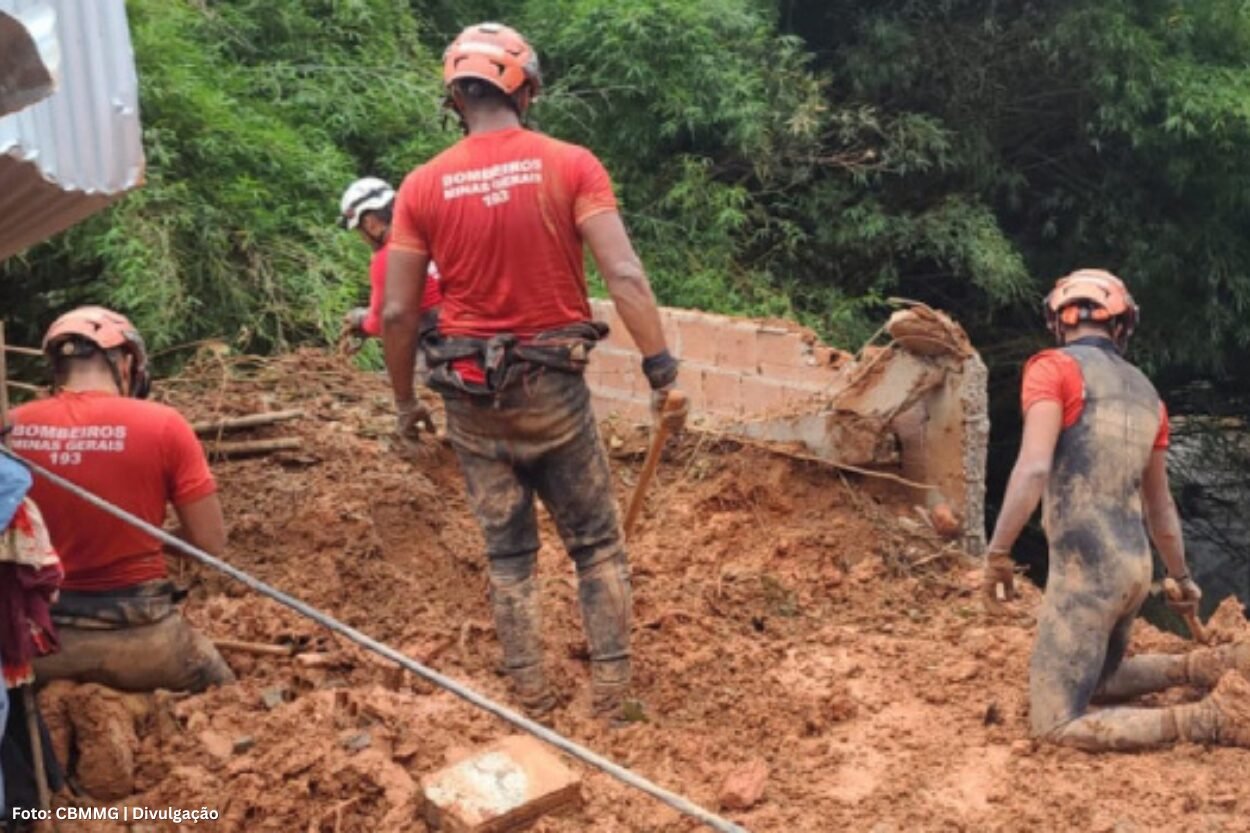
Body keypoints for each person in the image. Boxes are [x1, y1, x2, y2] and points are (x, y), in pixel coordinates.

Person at [382, 22, 681, 718]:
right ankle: (611, 694)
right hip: (553, 390)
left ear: (456, 98)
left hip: (471, 400)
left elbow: (398, 314)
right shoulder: (571, 164)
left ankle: (531, 693)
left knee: (509, 555)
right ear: (527, 89)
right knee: (597, 543)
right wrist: (660, 368)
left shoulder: (421, 187)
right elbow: (626, 274)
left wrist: (403, 403)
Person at [985, 269, 1250, 750]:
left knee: (1054, 722)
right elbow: (1160, 506)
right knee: (1099, 681)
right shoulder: (1149, 395)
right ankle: (1207, 667)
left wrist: (998, 551)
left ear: (1059, 322)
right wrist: (1183, 576)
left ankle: (1209, 720)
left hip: (1086, 569)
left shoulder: (1052, 368)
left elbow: (1033, 469)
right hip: (1132, 568)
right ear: (1122, 325)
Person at [8, 306, 234, 693]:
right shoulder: (163, 424)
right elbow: (211, 542)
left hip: (41, 643)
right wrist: (149, 536)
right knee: (225, 694)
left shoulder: (11, 427)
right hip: (145, 642)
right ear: (126, 362)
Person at [338, 176, 444, 347]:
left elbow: (382, 322)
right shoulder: (431, 233)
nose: (363, 239)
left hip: (439, 346)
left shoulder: (388, 257)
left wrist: (360, 320)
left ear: (371, 224)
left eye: (360, 231)